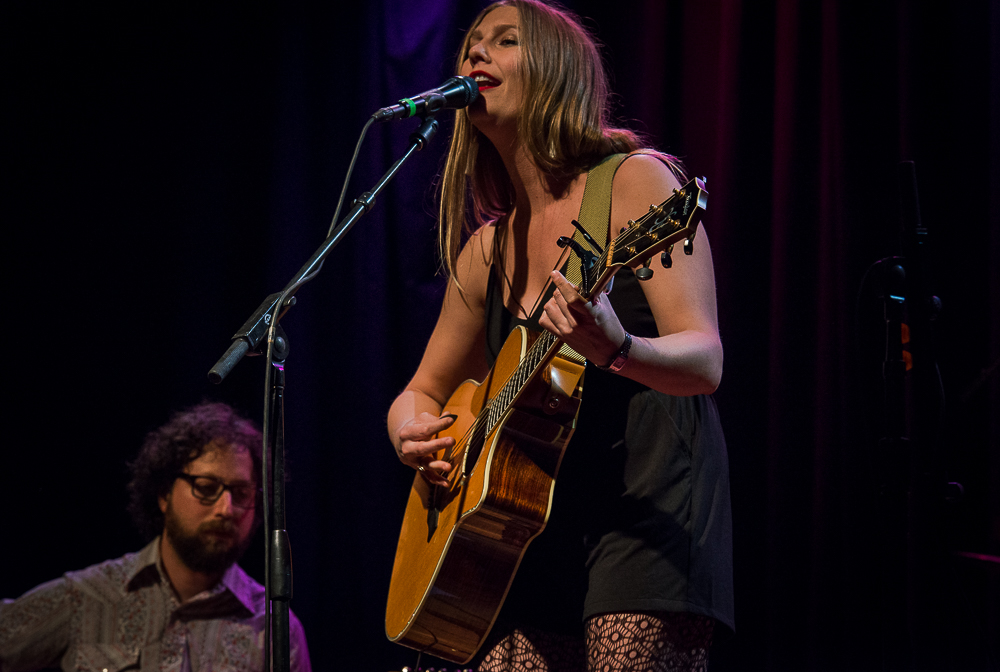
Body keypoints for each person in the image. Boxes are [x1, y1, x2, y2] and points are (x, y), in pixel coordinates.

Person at [387, 1, 733, 671]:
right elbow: (419, 393)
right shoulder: (486, 251)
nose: (475, 57)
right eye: (470, 47)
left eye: (505, 41)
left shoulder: (636, 183)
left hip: (646, 507)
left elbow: (706, 357)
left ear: (556, 70)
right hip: (527, 521)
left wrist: (618, 348)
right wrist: (413, 434)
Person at [0, 402, 312, 672]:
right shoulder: (86, 597)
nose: (226, 509)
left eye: (241, 493)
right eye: (206, 487)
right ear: (164, 494)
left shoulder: (273, 629)